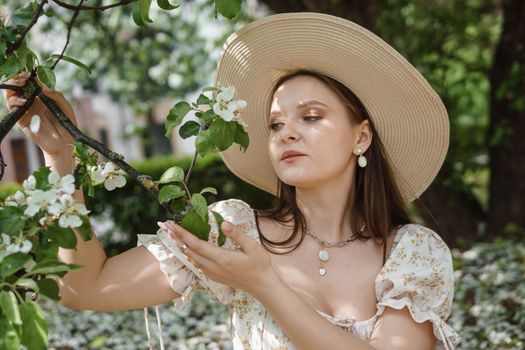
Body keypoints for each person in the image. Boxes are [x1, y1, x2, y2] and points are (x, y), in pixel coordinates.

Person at [4, 12, 461, 350]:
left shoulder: (411, 253)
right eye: (276, 124)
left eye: (312, 117)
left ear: (361, 136)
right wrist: (60, 157)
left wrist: (265, 284)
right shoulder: (234, 232)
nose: (288, 133)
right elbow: (86, 288)